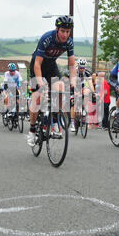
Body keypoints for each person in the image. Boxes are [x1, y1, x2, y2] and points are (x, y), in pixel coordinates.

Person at [27, 15, 76, 146]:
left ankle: (55, 118)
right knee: (37, 98)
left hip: (51, 67)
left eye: (68, 32)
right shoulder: (47, 38)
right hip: (36, 67)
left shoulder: (69, 42)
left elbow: (71, 65)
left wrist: (73, 83)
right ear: (57, 29)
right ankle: (32, 130)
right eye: (62, 31)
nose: (65, 35)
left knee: (60, 89)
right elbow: (37, 64)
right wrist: (40, 83)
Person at [69, 58, 93, 132]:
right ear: (78, 66)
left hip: (81, 87)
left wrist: (94, 92)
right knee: (73, 104)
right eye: (80, 67)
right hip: (73, 88)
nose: (82, 69)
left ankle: (84, 109)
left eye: (83, 67)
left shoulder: (87, 73)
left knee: (87, 92)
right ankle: (72, 123)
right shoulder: (74, 72)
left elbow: (90, 84)